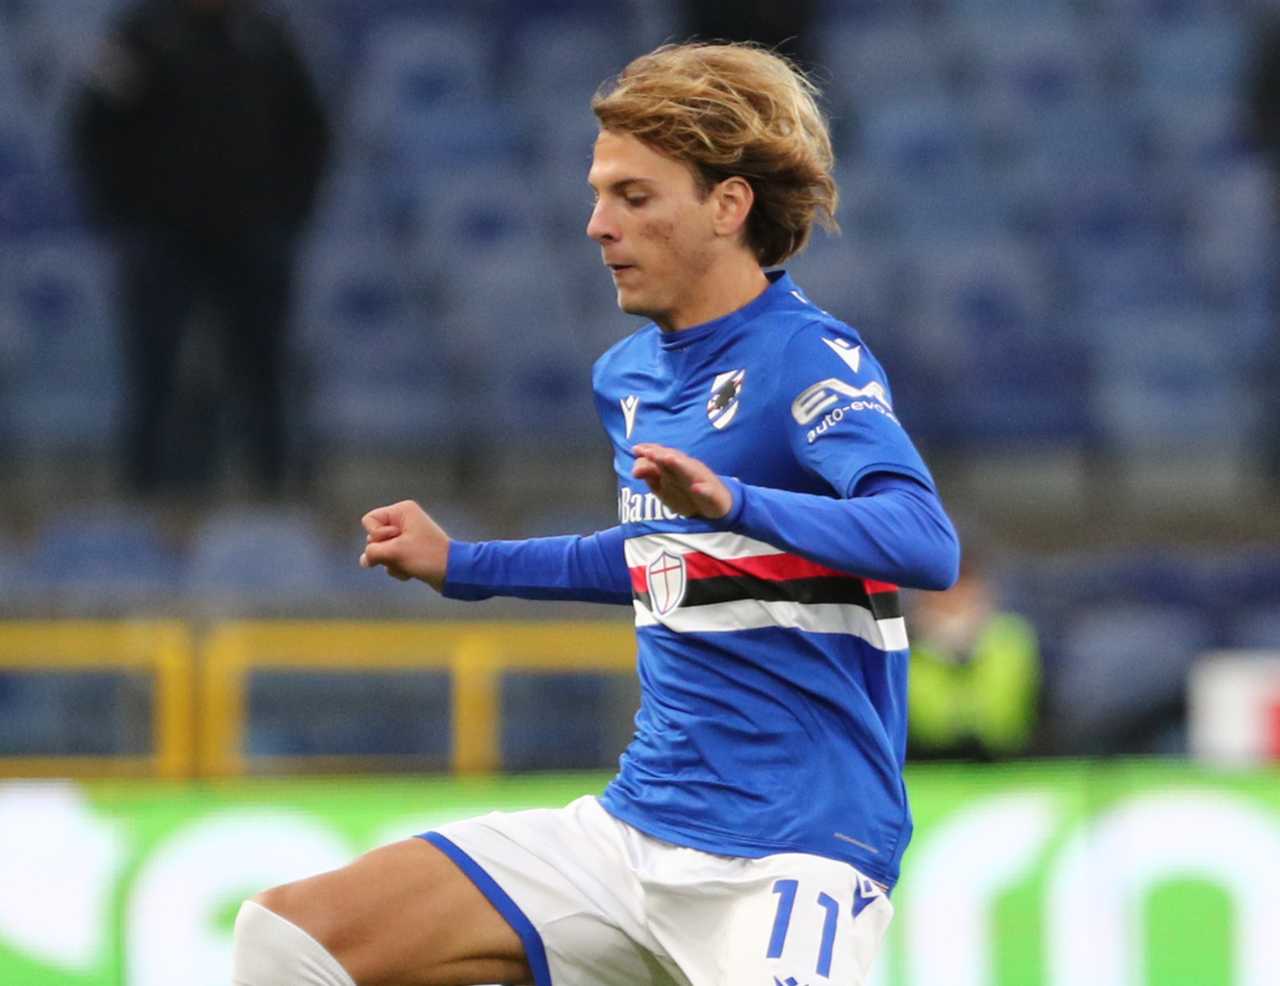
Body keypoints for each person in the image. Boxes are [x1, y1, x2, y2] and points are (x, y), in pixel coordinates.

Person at [231, 43, 959, 986]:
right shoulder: (629, 378)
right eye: (598, 194)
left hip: (792, 853)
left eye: (633, 196)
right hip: (634, 833)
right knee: (288, 935)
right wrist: (462, 564)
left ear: (728, 206)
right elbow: (659, 559)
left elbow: (924, 541)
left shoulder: (809, 359)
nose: (597, 224)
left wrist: (734, 502)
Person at [69, 0, 330, 497]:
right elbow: (92, 125)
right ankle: (144, 498)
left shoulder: (266, 38)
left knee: (262, 370)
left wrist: (288, 214)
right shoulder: (140, 36)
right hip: (163, 236)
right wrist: (124, 215)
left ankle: (271, 495)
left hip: (251, 233)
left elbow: (310, 130)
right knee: (155, 370)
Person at [906, 553, 1040, 761]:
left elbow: (1005, 723)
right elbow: (928, 726)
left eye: (963, 594)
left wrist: (968, 652)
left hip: (1003, 765)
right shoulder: (906, 649)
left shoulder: (1010, 639)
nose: (954, 602)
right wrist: (939, 652)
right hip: (931, 767)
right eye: (943, 599)